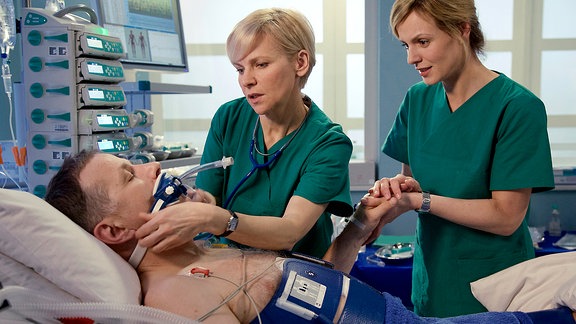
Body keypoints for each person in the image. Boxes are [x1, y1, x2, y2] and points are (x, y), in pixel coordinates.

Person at [43, 150, 574, 323]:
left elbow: (313, 296)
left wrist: (361, 227)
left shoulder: (203, 251)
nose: (153, 165)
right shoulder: (175, 296)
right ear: (112, 230)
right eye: (129, 175)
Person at [362, 0, 555, 318]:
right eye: (405, 45)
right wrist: (385, 207)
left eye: (422, 42)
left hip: (496, 286)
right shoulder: (417, 99)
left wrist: (419, 200)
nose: (412, 58)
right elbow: (413, 186)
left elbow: (506, 218)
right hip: (434, 278)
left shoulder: (517, 107)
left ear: (463, 29)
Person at [134, 8, 354, 259]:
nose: (247, 80)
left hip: (294, 276)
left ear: (300, 63)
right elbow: (211, 198)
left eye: (261, 64)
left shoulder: (328, 143)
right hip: (226, 264)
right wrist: (197, 201)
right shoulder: (229, 118)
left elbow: (289, 232)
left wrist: (214, 218)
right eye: (240, 69)